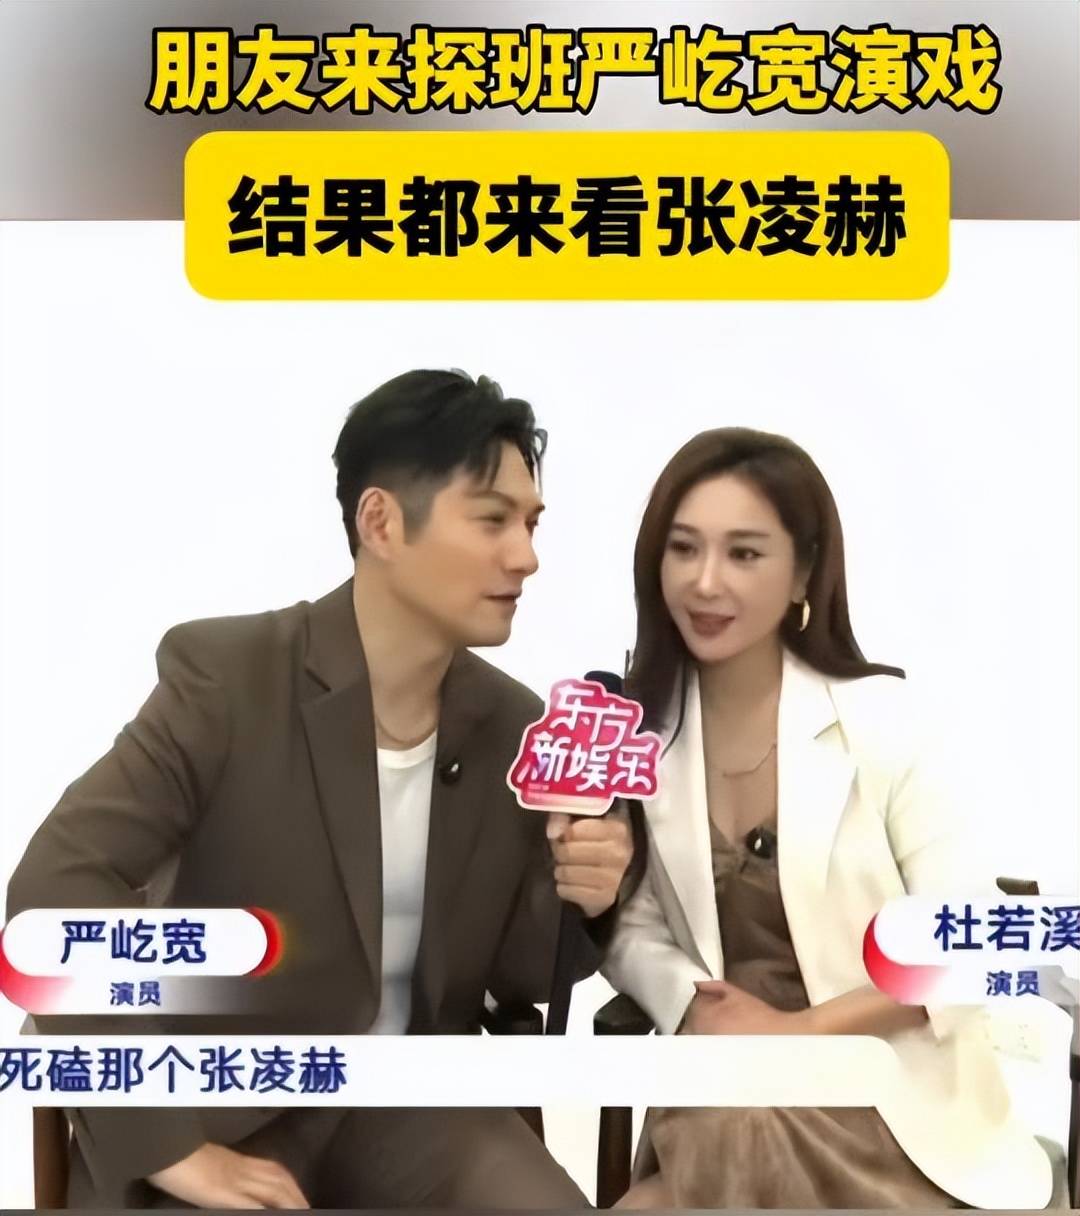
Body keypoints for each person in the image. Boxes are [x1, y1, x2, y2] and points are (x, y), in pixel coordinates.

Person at [7, 369, 633, 1209]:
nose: (525, 556)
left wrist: (585, 894)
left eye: (531, 523)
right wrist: (169, 1146)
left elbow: (519, 976)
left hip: (419, 1112)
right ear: (380, 522)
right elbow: (53, 890)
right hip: (226, 1104)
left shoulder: (515, 728)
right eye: (492, 520)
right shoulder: (228, 681)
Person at [602, 427, 1053, 1210]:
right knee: (724, 1127)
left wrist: (796, 1033)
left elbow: (966, 939)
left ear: (803, 572)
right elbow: (630, 926)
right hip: (721, 1083)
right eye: (684, 549)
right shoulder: (638, 731)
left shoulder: (884, 721)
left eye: (744, 554)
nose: (705, 582)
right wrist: (694, 1005)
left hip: (886, 1094)